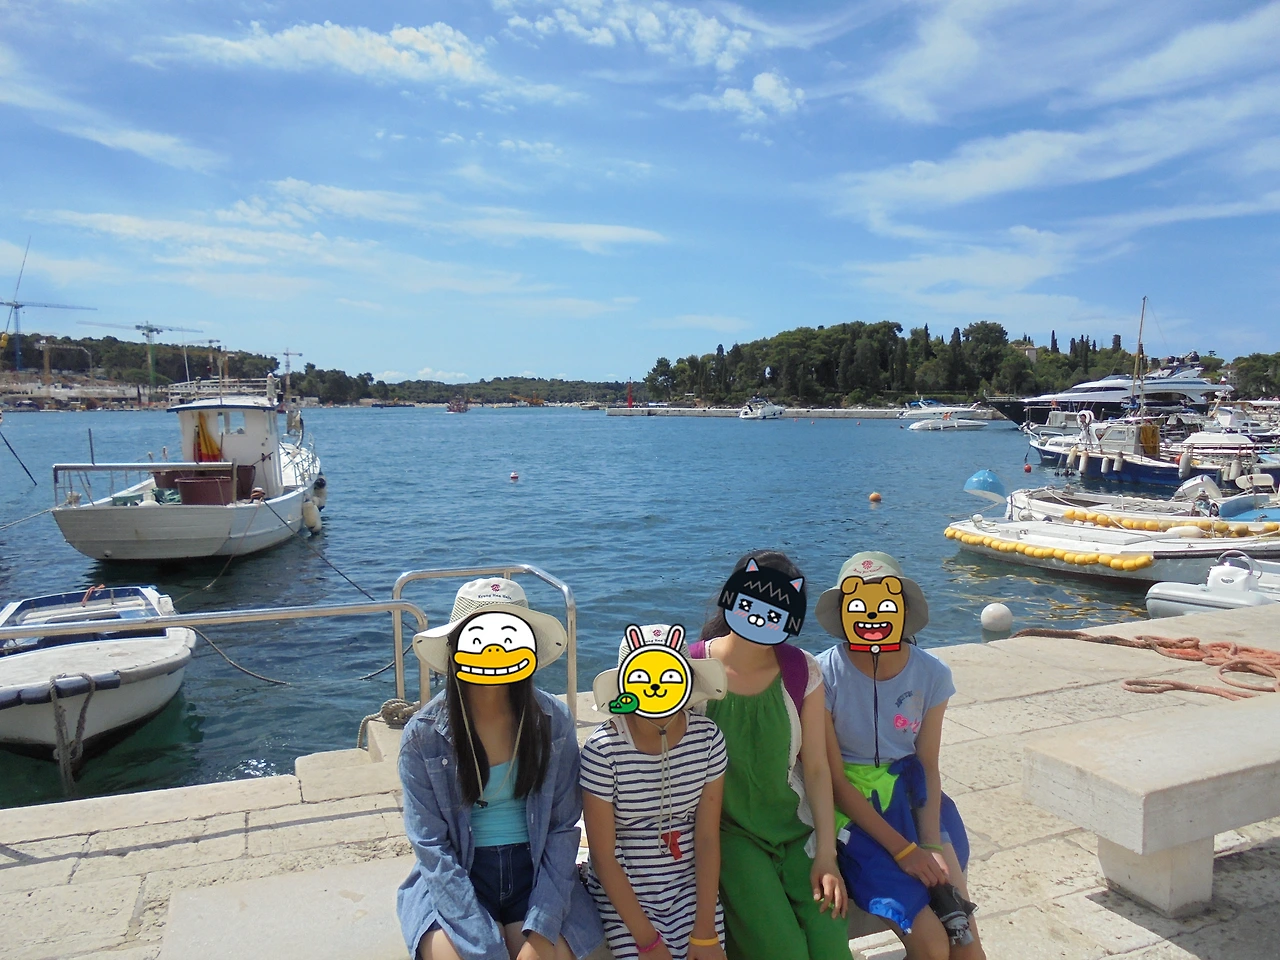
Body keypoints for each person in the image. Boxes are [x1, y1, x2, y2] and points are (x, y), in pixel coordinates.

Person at [397, 578, 605, 960]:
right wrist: (485, 946)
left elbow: (562, 829)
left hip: (536, 870)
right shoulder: (423, 736)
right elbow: (432, 846)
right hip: (459, 876)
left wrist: (540, 935)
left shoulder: (552, 720)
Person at [814, 552, 984, 960]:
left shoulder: (932, 674)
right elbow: (835, 780)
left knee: (965, 938)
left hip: (917, 803)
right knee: (929, 941)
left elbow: (927, 765)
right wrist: (904, 851)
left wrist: (929, 843)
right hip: (856, 815)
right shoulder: (823, 675)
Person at [690, 551, 850, 960]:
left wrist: (828, 856)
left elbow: (815, 768)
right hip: (729, 834)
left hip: (796, 829)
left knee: (831, 939)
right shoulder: (690, 670)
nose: (761, 618)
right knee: (782, 949)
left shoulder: (801, 671)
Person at [581, 623, 730, 960]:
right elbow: (604, 856)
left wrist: (705, 927)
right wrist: (647, 940)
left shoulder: (707, 739)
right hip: (625, 890)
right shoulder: (603, 750)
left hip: (689, 885)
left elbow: (706, 836)